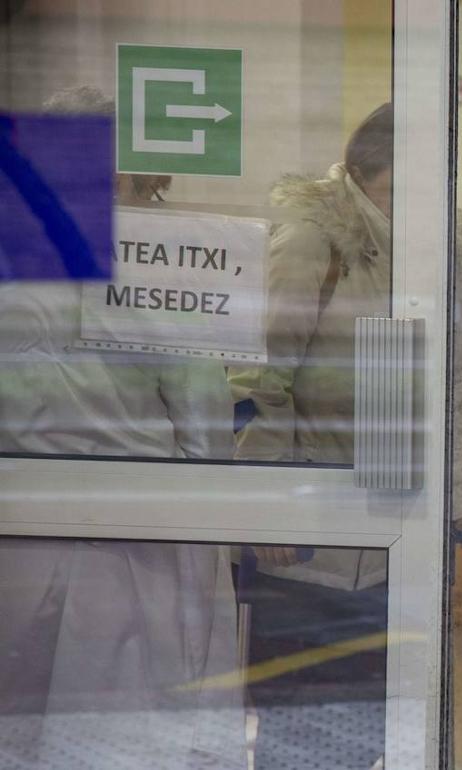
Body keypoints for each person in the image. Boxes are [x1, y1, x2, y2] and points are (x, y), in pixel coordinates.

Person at [227, 102, 462, 767]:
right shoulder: (315, 238)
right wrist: (265, 512)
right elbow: (260, 379)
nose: (425, 198)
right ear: (366, 172)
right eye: (406, 185)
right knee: (299, 734)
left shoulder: (438, 244)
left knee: (378, 728)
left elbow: (452, 382)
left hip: (402, 534)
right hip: (311, 544)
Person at [0, 86, 243, 768]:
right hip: (132, 555)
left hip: (19, 544)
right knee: (117, 741)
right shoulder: (160, 268)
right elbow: (204, 437)